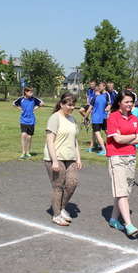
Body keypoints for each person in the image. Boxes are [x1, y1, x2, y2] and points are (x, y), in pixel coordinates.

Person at [106, 90, 138, 237]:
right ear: (119, 103)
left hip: (131, 157)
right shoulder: (113, 117)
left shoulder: (135, 118)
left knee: (125, 191)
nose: (129, 104)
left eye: (131, 102)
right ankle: (129, 224)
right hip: (116, 157)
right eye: (126, 101)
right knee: (121, 191)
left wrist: (126, 137)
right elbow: (117, 140)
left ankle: (114, 219)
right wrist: (132, 136)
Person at [44, 93, 82, 226]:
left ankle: (61, 207)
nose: (72, 107)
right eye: (69, 105)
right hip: (56, 157)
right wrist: (54, 161)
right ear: (61, 104)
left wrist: (78, 158)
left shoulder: (72, 119)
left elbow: (75, 140)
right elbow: (50, 140)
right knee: (58, 187)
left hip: (70, 157)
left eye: (73, 105)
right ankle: (56, 215)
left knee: (72, 183)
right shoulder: (55, 118)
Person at [13, 87, 44, 159]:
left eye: (32, 92)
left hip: (31, 120)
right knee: (23, 135)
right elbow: (14, 103)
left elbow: (42, 103)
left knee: (29, 137)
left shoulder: (34, 99)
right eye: (30, 92)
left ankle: (28, 152)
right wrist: (20, 109)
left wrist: (35, 108)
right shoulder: (21, 99)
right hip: (23, 120)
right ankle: (23, 152)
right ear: (25, 92)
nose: (32, 93)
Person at [89, 82, 111, 155]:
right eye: (99, 86)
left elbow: (109, 104)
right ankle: (92, 147)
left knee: (103, 132)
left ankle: (107, 147)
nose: (99, 87)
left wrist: (107, 110)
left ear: (104, 87)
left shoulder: (106, 94)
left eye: (100, 86)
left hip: (103, 117)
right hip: (99, 116)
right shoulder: (99, 95)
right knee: (95, 131)